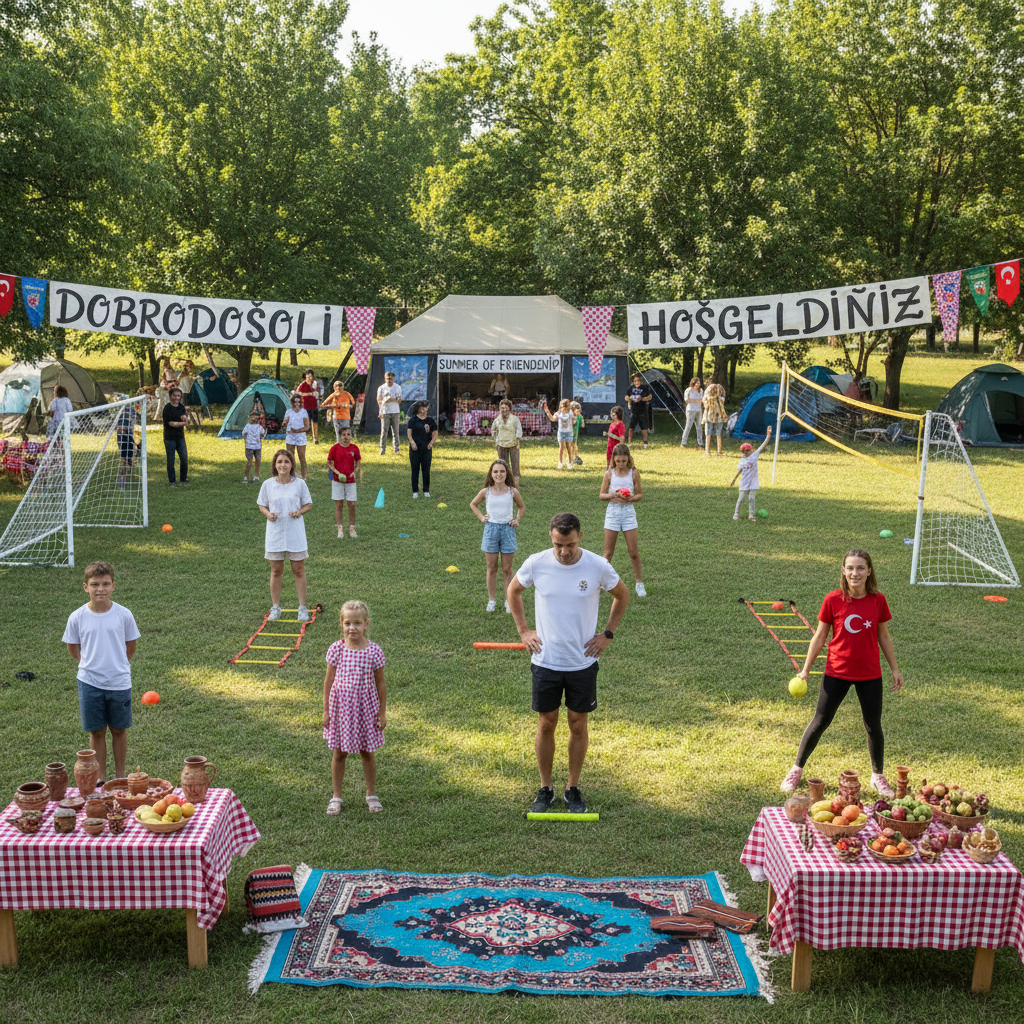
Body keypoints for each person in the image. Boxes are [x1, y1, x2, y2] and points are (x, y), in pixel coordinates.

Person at [507, 513, 630, 814]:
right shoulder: (537, 563)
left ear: (580, 537)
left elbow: (621, 595)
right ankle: (545, 788)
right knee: (546, 723)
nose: (565, 551)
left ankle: (572, 787)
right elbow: (513, 591)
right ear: (551, 536)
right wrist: (524, 631)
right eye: (559, 544)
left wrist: (608, 634)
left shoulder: (597, 565)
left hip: (582, 662)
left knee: (578, 723)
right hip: (546, 660)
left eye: (571, 544)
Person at [780, 549, 903, 798]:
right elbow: (819, 636)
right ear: (843, 571)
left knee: (873, 725)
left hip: (869, 673)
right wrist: (805, 670)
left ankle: (877, 775)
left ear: (869, 571)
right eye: (850, 568)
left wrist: (894, 668)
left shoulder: (878, 600)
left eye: (860, 568)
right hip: (837, 670)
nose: (854, 573)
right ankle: (796, 769)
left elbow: (883, 636)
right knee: (821, 720)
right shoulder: (833, 599)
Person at [62, 560, 141, 787]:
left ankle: (120, 777)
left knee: (118, 730)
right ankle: (100, 779)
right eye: (95, 584)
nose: (100, 589)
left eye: (105, 584)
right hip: (89, 683)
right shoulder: (77, 617)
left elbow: (130, 645)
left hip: (119, 682)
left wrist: (116, 665)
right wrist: (90, 665)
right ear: (85, 587)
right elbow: (73, 648)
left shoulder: (124, 614)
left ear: (113, 586)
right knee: (97, 732)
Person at [322, 600, 386, 814]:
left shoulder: (374, 651)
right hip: (341, 711)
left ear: (366, 624)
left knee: (367, 752)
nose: (352, 628)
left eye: (357, 623)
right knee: (339, 753)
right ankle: (336, 796)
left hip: (366, 710)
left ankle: (371, 794)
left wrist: (382, 712)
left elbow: (380, 683)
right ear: (341, 624)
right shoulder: (336, 650)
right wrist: (326, 710)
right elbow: (328, 681)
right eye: (347, 623)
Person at [257, 449, 313, 622]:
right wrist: (268, 514)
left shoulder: (300, 484)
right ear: (275, 464)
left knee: (298, 570)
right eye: (280, 461)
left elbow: (308, 504)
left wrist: (299, 512)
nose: (283, 465)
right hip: (275, 534)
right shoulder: (267, 484)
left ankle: (302, 608)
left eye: (286, 462)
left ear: (291, 465)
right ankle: (276, 607)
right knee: (276, 571)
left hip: (295, 533)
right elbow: (262, 505)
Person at [470, 460, 525, 613]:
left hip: (507, 530)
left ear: (506, 473)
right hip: (491, 530)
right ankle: (492, 600)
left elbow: (522, 507)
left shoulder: (512, 491)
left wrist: (517, 520)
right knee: (491, 568)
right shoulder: (486, 492)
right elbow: (473, 504)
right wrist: (482, 517)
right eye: (495, 472)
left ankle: (509, 601)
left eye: (502, 471)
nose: (499, 474)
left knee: (507, 569)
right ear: (491, 474)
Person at [600, 443, 645, 597]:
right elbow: (601, 495)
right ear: (614, 459)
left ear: (628, 459)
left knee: (633, 552)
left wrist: (630, 498)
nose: (620, 464)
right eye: (618, 461)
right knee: (608, 553)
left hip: (628, 512)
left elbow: (640, 494)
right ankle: (599, 583)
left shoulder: (633, 473)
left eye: (623, 461)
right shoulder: (609, 474)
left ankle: (639, 583)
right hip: (612, 512)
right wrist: (614, 495)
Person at [729, 426, 772, 521]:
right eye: (743, 451)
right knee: (741, 499)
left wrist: (768, 436)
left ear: (751, 450)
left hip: (753, 481)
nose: (745, 453)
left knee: (751, 498)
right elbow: (739, 471)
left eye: (747, 451)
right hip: (744, 482)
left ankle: (751, 515)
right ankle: (736, 513)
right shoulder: (742, 461)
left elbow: (763, 445)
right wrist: (734, 480)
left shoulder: (754, 456)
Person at [328, 426, 361, 539]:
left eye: (348, 434)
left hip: (351, 481)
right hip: (337, 481)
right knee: (339, 504)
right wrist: (336, 472)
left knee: (351, 504)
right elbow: (329, 462)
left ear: (351, 436)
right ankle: (340, 529)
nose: (346, 437)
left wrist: (354, 472)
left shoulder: (354, 448)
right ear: (340, 436)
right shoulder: (335, 448)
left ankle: (352, 528)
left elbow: (358, 462)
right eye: (343, 435)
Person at [407, 400, 437, 498]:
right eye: (423, 409)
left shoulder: (430, 421)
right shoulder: (413, 420)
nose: (425, 411)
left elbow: (435, 433)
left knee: (426, 470)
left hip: (426, 449)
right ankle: (415, 491)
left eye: (426, 409)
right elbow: (409, 433)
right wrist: (412, 442)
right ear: (419, 409)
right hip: (415, 449)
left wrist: (431, 443)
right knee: (415, 470)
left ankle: (426, 490)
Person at [491, 399, 523, 487]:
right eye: (502, 408)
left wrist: (517, 440)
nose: (504, 410)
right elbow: (493, 430)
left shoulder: (514, 419)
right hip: (501, 444)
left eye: (505, 408)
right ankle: (506, 482)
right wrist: (496, 440)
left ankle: (516, 483)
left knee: (515, 464)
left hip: (513, 443)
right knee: (503, 464)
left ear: (509, 408)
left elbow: (519, 430)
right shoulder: (497, 420)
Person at [162, 386, 189, 485]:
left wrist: (185, 418)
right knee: (171, 460)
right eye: (174, 396)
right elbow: (171, 424)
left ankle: (183, 479)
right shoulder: (167, 408)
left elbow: (184, 415)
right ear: (170, 396)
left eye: (178, 396)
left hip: (180, 438)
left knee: (184, 458)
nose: (176, 398)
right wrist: (183, 424)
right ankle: (172, 481)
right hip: (170, 438)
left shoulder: (181, 406)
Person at [282, 393, 310, 479]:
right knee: (290, 456)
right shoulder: (289, 411)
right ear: (292, 402)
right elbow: (284, 423)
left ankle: (304, 476)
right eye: (295, 402)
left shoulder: (303, 412)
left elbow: (307, 427)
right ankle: (293, 474)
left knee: (301, 457)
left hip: (300, 436)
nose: (297, 404)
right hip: (290, 435)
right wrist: (284, 423)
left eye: (298, 402)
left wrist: (297, 430)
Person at [542, 398, 575, 469]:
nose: (564, 408)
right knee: (561, 447)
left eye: (566, 407)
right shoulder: (559, 413)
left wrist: (572, 426)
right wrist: (547, 410)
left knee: (569, 447)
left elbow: (573, 420)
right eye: (563, 407)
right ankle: (560, 462)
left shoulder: (570, 413)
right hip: (561, 432)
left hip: (569, 432)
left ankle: (569, 462)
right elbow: (552, 418)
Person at [115, 398, 140, 489]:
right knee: (124, 458)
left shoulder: (132, 412)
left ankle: (124, 475)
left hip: (129, 437)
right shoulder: (119, 412)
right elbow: (115, 425)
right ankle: (122, 479)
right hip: (120, 437)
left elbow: (131, 426)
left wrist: (123, 428)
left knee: (127, 458)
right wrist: (118, 428)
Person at [377, 370, 403, 454]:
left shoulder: (397, 387)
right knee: (384, 431)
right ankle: (382, 449)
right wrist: (380, 411)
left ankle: (396, 450)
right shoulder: (381, 388)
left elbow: (399, 400)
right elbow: (379, 400)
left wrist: (393, 399)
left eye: (391, 378)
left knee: (395, 431)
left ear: (394, 379)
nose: (389, 380)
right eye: (388, 378)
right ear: (385, 379)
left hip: (395, 411)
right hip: (385, 411)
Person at [295, 369, 323, 445]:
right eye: (308, 377)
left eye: (310, 376)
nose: (309, 378)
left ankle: (316, 438)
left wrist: (318, 397)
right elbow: (298, 393)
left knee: (315, 422)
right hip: (305, 406)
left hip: (314, 406)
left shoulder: (315, 384)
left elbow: (319, 393)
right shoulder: (303, 384)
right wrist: (310, 394)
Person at [625, 373, 653, 448]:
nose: (636, 382)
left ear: (640, 381)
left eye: (638, 381)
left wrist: (642, 399)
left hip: (642, 411)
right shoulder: (631, 388)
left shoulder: (645, 388)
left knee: (644, 429)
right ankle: (629, 443)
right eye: (635, 381)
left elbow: (650, 397)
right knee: (631, 428)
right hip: (634, 412)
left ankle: (645, 444)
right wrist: (629, 398)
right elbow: (626, 397)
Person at [702, 381, 727, 456]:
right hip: (719, 416)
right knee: (718, 434)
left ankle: (707, 451)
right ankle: (719, 451)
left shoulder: (707, 398)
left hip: (709, 416)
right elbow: (723, 401)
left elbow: (704, 403)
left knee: (708, 434)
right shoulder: (720, 398)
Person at [241, 411, 266, 484]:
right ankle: (251, 477)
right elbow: (262, 434)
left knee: (253, 461)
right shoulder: (254, 426)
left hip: (253, 446)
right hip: (254, 447)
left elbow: (244, 434)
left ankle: (250, 477)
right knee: (254, 461)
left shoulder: (252, 426)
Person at [680, 377, 704, 448]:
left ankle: (700, 443)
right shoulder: (688, 390)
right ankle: (683, 443)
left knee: (699, 427)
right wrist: (695, 400)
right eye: (696, 384)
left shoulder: (701, 390)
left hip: (698, 410)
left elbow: (702, 400)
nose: (697, 385)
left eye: (698, 384)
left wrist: (694, 400)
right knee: (688, 426)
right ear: (693, 383)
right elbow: (687, 400)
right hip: (690, 410)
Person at [570, 401, 584, 466]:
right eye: (577, 411)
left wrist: (582, 422)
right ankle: (571, 458)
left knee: (575, 446)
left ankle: (574, 456)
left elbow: (582, 423)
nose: (579, 413)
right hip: (570, 434)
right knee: (571, 446)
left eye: (580, 411)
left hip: (575, 434)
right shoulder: (571, 416)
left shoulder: (579, 416)